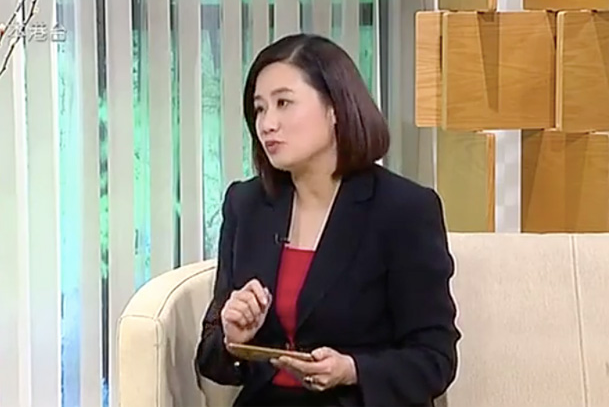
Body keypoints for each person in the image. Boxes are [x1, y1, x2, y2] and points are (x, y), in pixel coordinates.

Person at [195, 33, 461, 407]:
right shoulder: (246, 205)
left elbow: (434, 359)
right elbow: (210, 358)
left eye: (283, 103)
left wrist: (351, 369)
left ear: (335, 108)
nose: (267, 123)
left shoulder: (404, 210)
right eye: (259, 109)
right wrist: (232, 339)